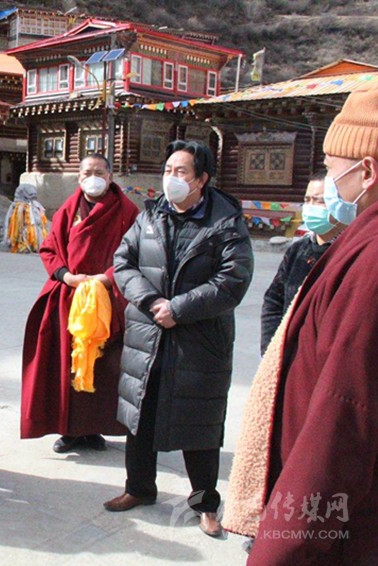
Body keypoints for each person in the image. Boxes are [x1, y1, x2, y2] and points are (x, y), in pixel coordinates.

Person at [224, 84, 378, 563]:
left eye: (331, 169)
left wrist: (282, 548)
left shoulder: (371, 261)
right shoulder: (357, 239)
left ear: (367, 171)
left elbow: (343, 415)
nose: (328, 184)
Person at [106, 140, 253, 538]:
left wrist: (180, 308)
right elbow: (123, 263)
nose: (171, 178)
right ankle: (139, 488)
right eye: (168, 170)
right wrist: (153, 302)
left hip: (199, 340)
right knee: (140, 413)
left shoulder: (225, 222)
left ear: (201, 179)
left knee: (200, 424)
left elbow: (233, 281)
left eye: (181, 171)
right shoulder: (150, 216)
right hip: (147, 333)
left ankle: (205, 504)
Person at [20, 154, 139, 453]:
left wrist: (107, 278)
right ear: (79, 177)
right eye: (87, 172)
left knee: (103, 366)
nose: (93, 177)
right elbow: (49, 249)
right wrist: (67, 276)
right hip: (70, 297)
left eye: (100, 172)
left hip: (107, 298)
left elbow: (135, 252)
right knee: (68, 364)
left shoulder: (127, 211)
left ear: (110, 176)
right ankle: (69, 430)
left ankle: (94, 428)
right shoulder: (68, 209)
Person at [259, 171, 343, 354]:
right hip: (288, 353)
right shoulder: (298, 250)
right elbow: (274, 301)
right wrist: (271, 350)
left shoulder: (349, 251)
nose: (311, 206)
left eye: (319, 201)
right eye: (307, 200)